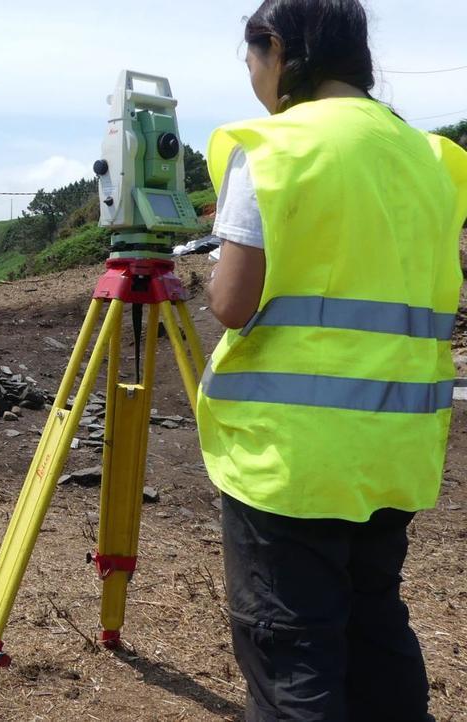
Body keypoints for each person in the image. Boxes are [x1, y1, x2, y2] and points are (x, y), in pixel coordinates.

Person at [196, 1, 467, 719]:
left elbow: (231, 302)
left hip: (293, 459)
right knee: (376, 627)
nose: (254, 77)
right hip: (395, 448)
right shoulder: (430, 156)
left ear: (279, 46)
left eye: (253, 58)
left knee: (294, 652)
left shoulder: (274, 146)